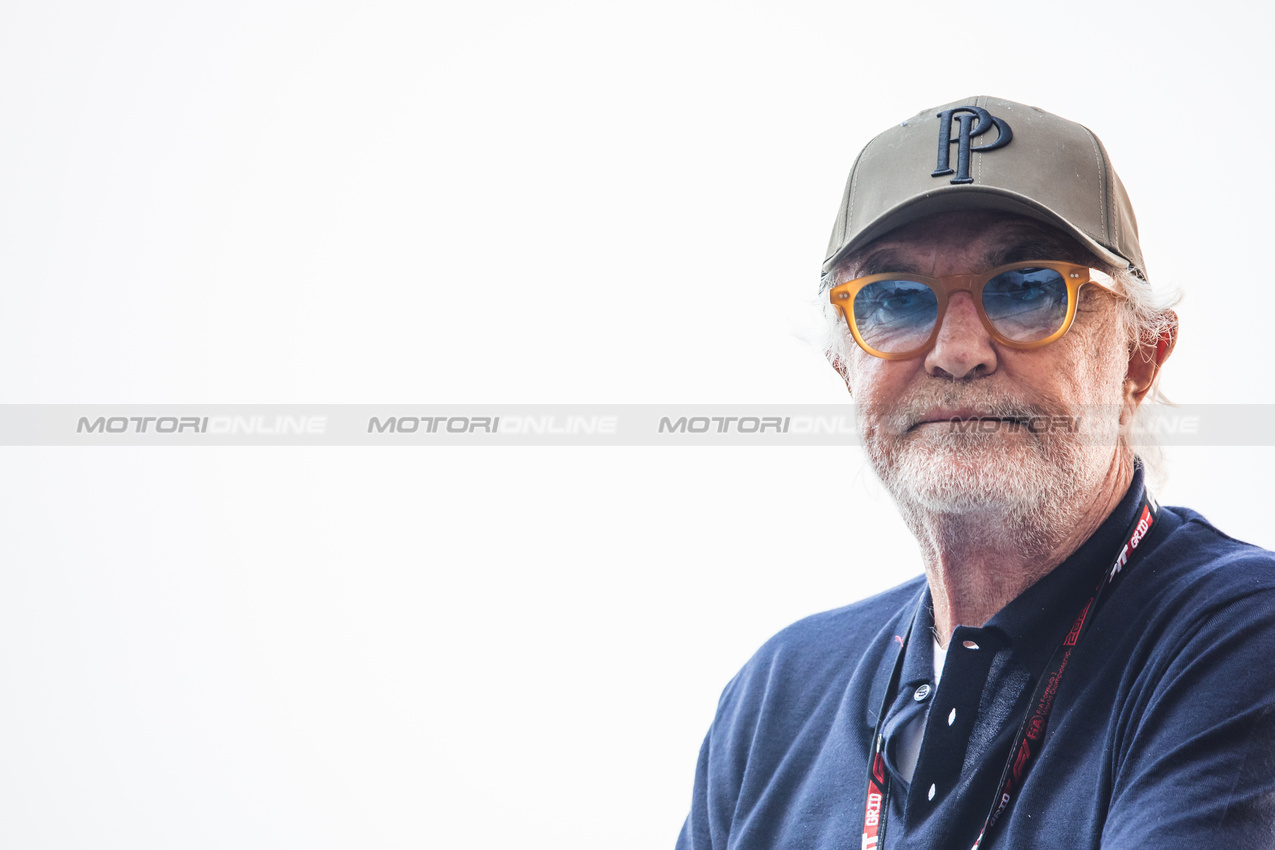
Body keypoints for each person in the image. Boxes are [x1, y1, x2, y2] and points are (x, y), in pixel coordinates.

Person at [676, 96, 1275, 849]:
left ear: (1139, 358)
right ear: (845, 370)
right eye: (894, 300)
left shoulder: (1241, 636)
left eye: (1026, 288)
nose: (957, 351)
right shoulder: (780, 691)